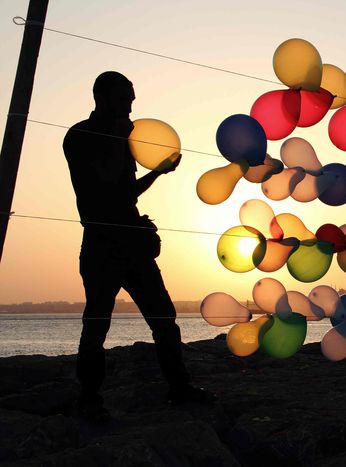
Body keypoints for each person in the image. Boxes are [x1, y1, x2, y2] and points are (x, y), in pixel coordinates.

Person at [63, 71, 214, 419]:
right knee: (97, 322)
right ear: (104, 97)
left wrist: (154, 170)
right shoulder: (81, 137)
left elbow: (126, 194)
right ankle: (88, 398)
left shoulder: (121, 138)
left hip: (132, 242)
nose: (131, 106)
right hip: (102, 243)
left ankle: (179, 388)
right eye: (125, 98)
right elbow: (109, 191)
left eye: (132, 99)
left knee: (164, 318)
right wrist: (140, 159)